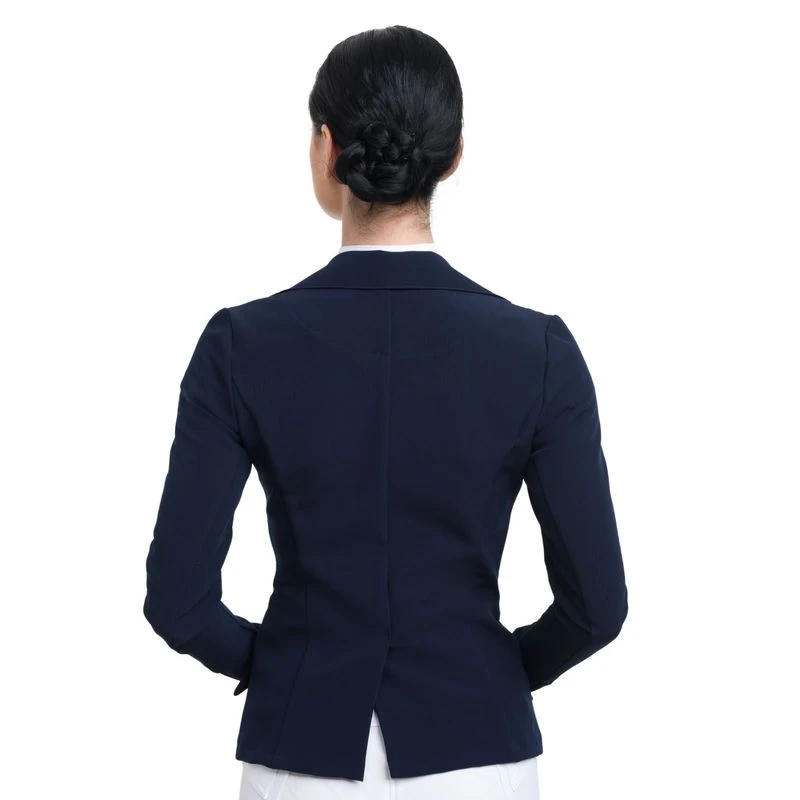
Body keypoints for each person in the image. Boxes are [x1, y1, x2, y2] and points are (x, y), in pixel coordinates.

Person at [143, 24, 628, 800]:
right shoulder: (538, 350)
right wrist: (494, 672)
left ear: (325, 147)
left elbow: (178, 600)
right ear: (454, 155)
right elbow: (597, 607)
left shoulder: (241, 344)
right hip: (479, 753)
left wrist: (287, 666)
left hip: (302, 754)